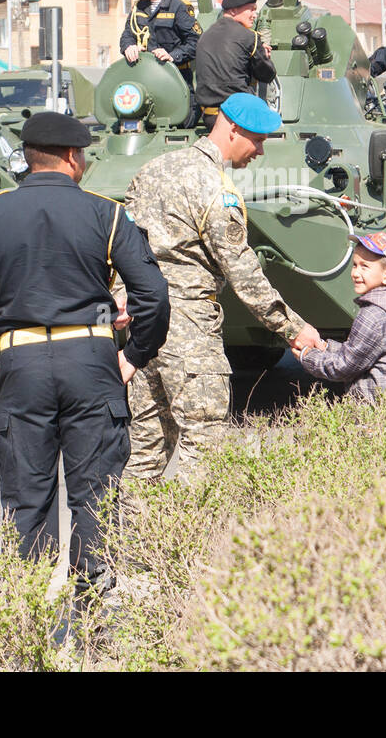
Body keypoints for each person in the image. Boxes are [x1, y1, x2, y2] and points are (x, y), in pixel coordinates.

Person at [0, 111, 170, 588]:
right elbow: (154, 295)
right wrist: (134, 356)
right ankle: (92, 625)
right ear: (71, 157)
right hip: (91, 365)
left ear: (28, 158)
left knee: (27, 502)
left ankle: (28, 631)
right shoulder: (106, 213)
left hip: (19, 366)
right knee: (95, 498)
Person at [122, 92, 322, 482]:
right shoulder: (216, 188)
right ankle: (196, 541)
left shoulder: (153, 170)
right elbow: (243, 272)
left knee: (144, 455)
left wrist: (120, 299)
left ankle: (136, 541)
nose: (260, 152)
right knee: (204, 450)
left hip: (143, 327)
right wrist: (294, 330)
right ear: (232, 128)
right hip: (189, 330)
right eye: (258, 140)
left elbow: (123, 246)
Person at [294, 231, 386, 400]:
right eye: (355, 265)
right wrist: (324, 347)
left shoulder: (372, 315)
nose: (355, 273)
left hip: (378, 412)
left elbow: (344, 367)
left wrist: (306, 355)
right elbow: (362, 350)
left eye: (365, 266)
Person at [194, 0, 276, 130]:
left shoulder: (205, 36)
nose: (254, 14)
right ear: (233, 10)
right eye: (251, 9)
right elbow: (267, 75)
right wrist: (265, 56)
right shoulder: (249, 37)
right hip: (239, 117)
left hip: (210, 117)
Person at [119, 0, 201, 93]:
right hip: (144, 81)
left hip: (175, 82)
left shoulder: (179, 6)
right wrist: (128, 46)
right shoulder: (137, 8)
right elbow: (127, 35)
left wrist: (172, 56)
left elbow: (196, 42)